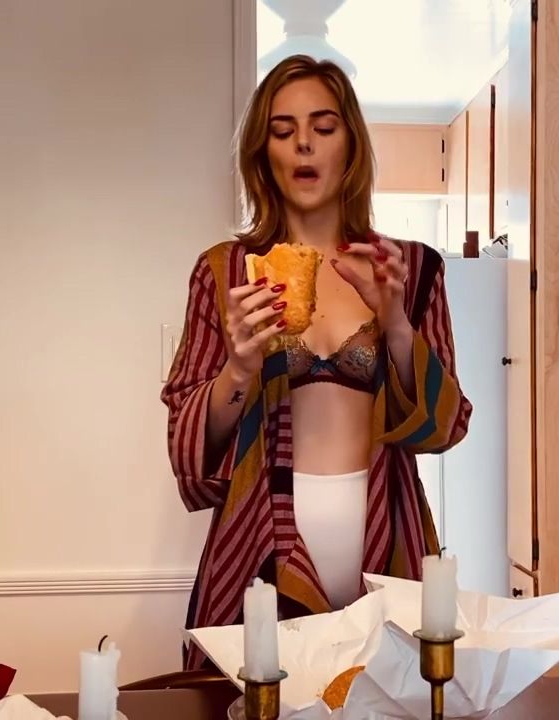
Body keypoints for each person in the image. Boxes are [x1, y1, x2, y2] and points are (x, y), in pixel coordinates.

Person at [160, 54, 472, 670]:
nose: (304, 143)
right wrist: (238, 368)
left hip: (388, 545)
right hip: (257, 548)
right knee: (259, 699)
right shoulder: (225, 272)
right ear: (263, 153)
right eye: (283, 130)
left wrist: (396, 324)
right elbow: (187, 451)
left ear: (350, 144)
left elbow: (444, 428)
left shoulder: (410, 269)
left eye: (323, 127)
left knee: (386, 698)